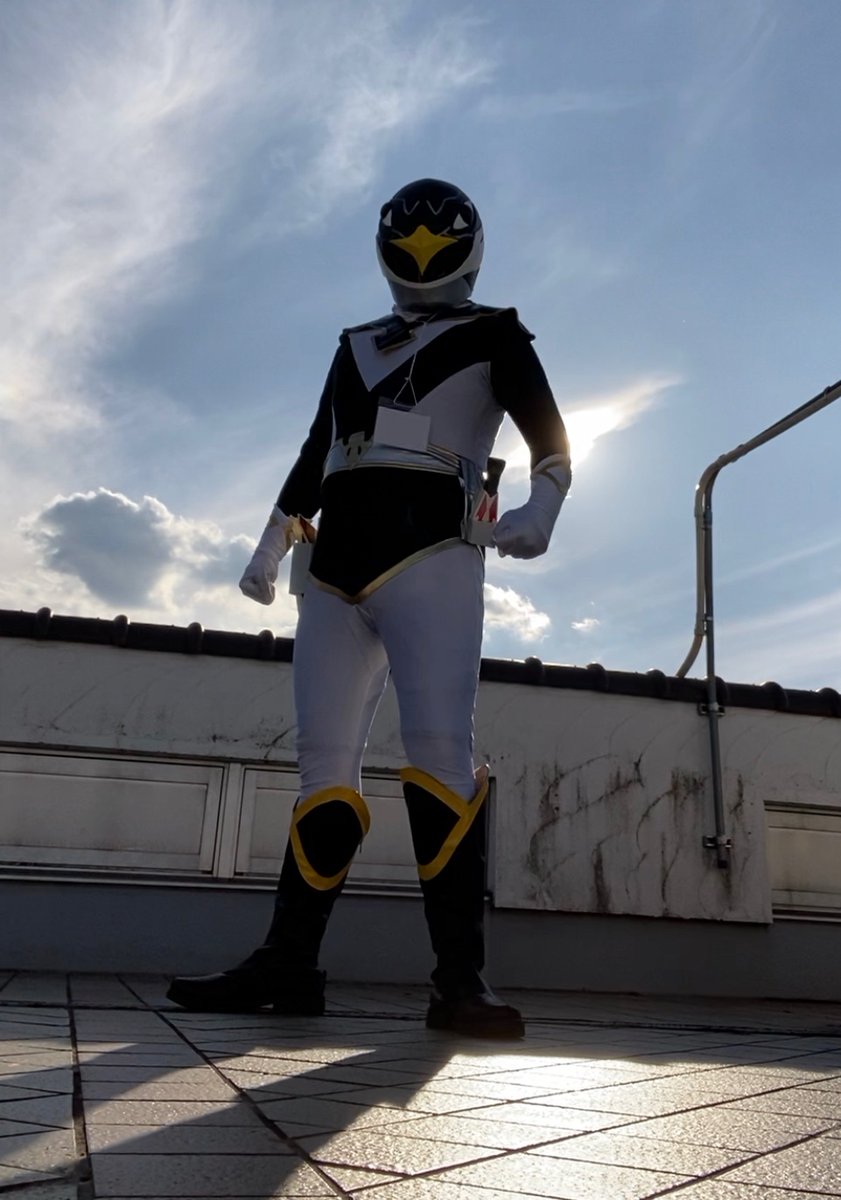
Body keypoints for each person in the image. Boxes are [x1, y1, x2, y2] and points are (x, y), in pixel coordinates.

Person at [167, 178, 571, 1038]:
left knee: (440, 752)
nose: (420, 250)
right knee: (322, 766)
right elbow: (318, 447)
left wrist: (543, 507)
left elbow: (547, 433)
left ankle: (459, 980)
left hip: (432, 556)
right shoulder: (354, 343)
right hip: (332, 566)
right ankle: (288, 963)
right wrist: (271, 541)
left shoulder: (495, 332)